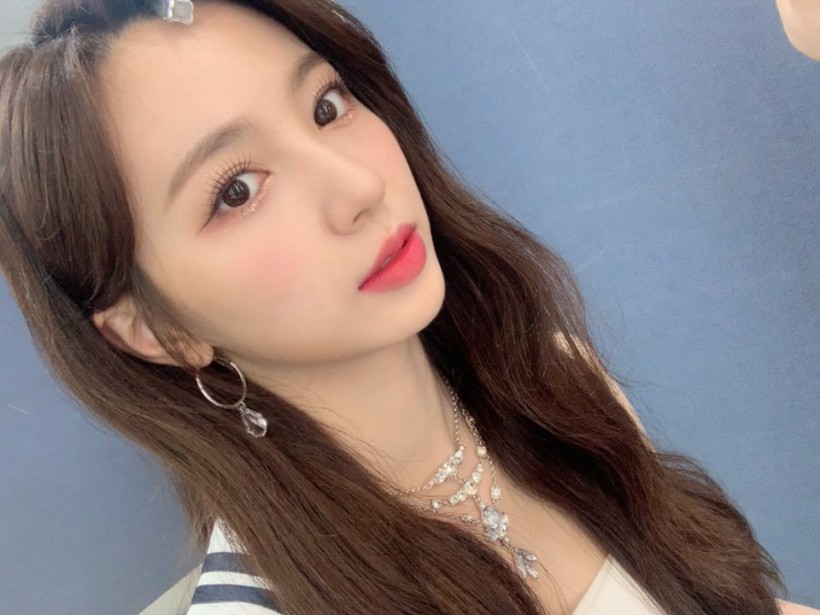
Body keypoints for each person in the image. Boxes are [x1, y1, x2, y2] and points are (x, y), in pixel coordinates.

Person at [0, 1, 815, 613]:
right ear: (158, 330)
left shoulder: (552, 384)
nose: (359, 186)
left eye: (327, 106)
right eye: (237, 190)